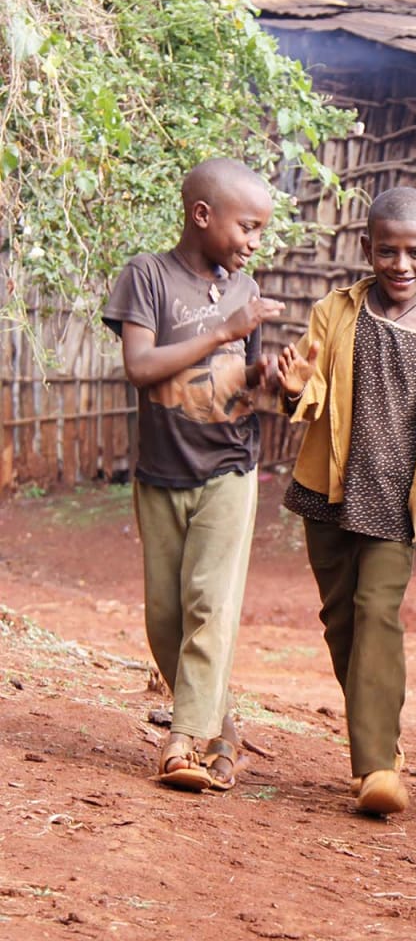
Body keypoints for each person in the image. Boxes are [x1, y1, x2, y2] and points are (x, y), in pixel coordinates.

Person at [276, 186, 416, 816]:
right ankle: (383, 746)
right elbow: (312, 387)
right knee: (341, 621)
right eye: (388, 251)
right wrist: (295, 392)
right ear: (367, 248)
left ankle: (374, 766)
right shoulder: (335, 313)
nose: (401, 264)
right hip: (327, 491)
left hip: (398, 506)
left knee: (377, 614)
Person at [103, 157, 281, 792]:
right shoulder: (147, 276)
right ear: (202, 216)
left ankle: (181, 742)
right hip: (161, 470)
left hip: (230, 467)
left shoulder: (243, 290)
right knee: (164, 617)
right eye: (248, 228)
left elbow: (246, 384)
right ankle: (220, 730)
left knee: (210, 601)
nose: (254, 243)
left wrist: (278, 380)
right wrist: (224, 331)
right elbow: (141, 366)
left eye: (261, 231)